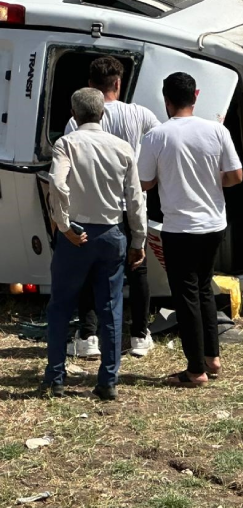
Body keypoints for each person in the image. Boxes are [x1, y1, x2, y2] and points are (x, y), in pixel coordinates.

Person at [138, 72, 243, 388]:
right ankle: (212, 357)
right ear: (195, 95)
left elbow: (145, 182)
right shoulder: (216, 130)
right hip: (213, 224)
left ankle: (195, 369)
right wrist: (213, 183)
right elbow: (236, 175)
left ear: (165, 99)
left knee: (185, 296)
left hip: (180, 228)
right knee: (203, 288)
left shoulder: (157, 136)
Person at [42, 88, 147, 400]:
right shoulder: (122, 147)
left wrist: (63, 225)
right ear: (103, 113)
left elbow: (57, 183)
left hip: (77, 234)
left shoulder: (67, 144)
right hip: (112, 233)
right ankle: (108, 381)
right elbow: (135, 199)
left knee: (60, 305)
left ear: (74, 115)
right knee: (110, 308)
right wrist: (138, 239)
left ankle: (56, 377)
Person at [65, 56, 161, 360]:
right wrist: (149, 179)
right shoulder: (140, 114)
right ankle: (139, 336)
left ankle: (89, 337)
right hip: (131, 204)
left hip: (92, 208)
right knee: (137, 269)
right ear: (118, 83)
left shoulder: (77, 119)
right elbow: (162, 144)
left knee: (91, 272)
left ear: (90, 86)